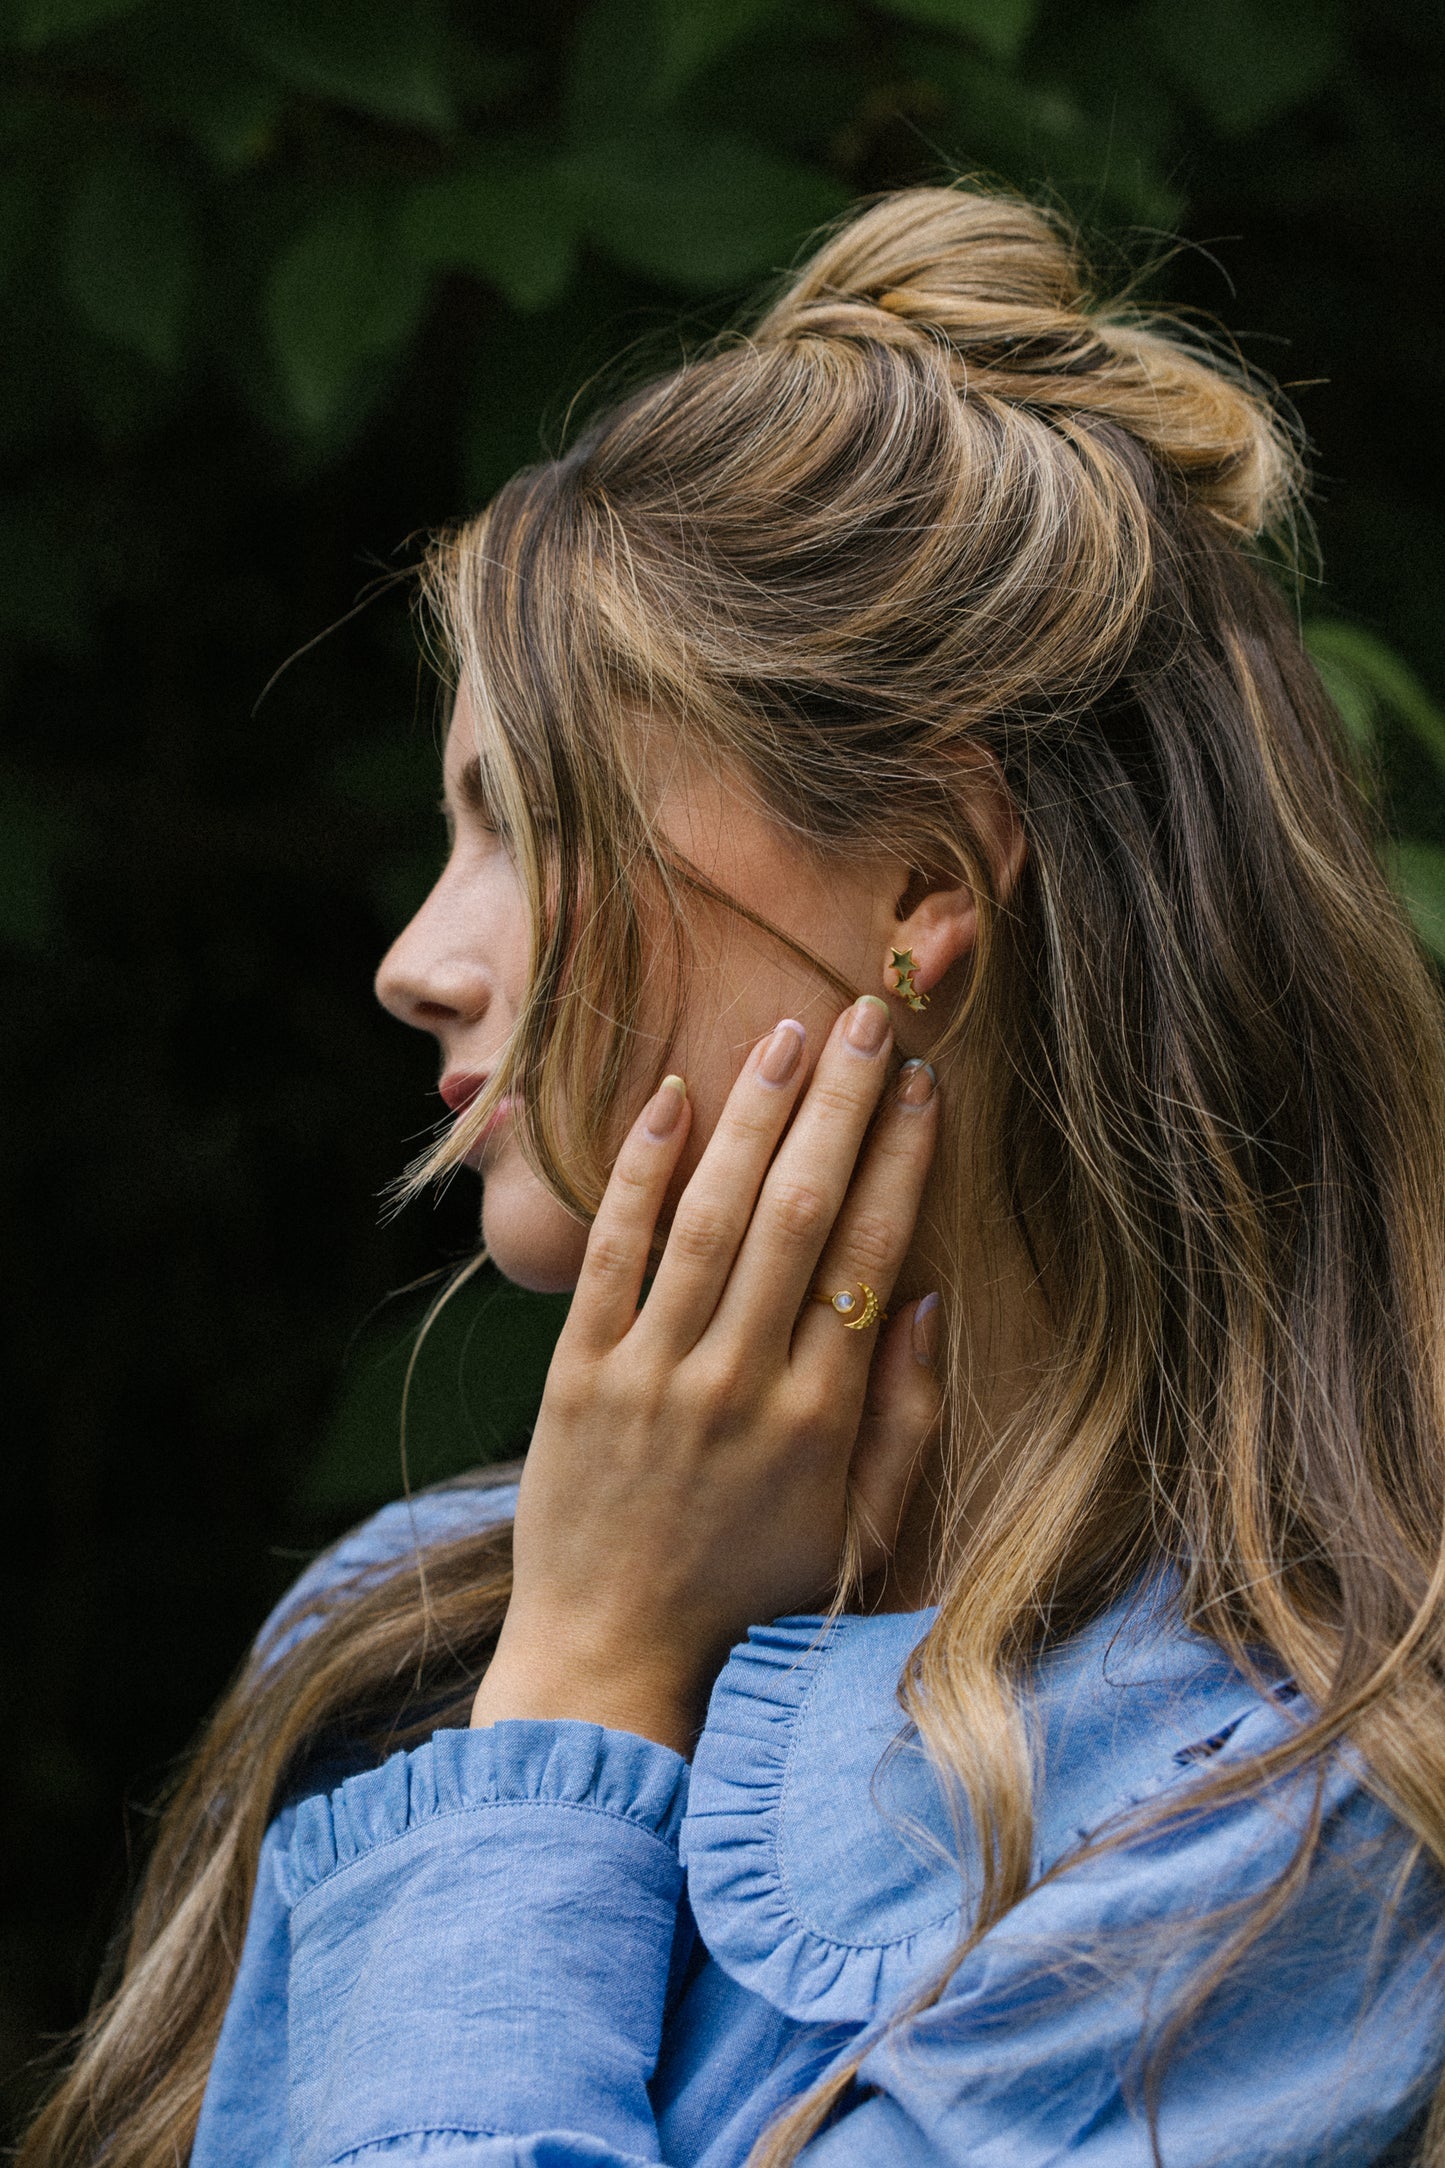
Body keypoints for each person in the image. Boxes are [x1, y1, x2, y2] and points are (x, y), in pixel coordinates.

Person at [23, 184, 1445, 2168]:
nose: (416, 955)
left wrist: (590, 1689)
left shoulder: (1282, 1827)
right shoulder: (393, 1624)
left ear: (925, 892)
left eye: (523, 824)